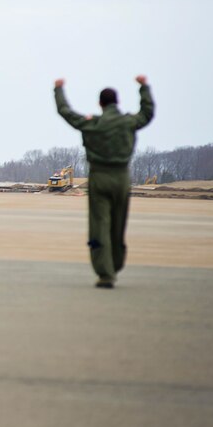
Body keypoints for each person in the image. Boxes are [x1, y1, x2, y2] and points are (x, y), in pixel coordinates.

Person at [54, 76, 155, 288]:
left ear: (100, 103)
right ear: (116, 102)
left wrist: (59, 90)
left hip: (99, 178)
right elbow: (147, 113)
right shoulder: (128, 122)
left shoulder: (94, 124)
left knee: (100, 226)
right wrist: (144, 87)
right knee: (118, 225)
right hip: (121, 178)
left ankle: (105, 272)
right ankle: (116, 263)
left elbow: (66, 113)